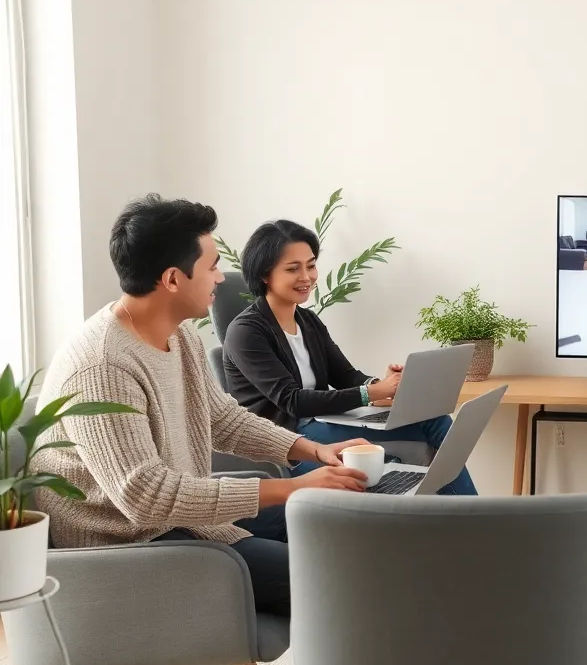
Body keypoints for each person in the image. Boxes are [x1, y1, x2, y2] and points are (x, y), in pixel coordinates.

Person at [30, 195, 372, 617]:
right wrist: (293, 487)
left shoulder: (181, 335)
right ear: (173, 279)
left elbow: (221, 417)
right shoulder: (103, 364)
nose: (220, 279)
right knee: (334, 571)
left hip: (178, 518)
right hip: (124, 543)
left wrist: (311, 449)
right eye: (211, 266)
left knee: (336, 524)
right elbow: (145, 497)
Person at [222, 219, 476, 494]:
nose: (307, 277)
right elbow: (292, 401)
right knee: (424, 440)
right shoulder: (246, 332)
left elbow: (345, 376)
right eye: (293, 269)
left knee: (434, 419)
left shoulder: (307, 321)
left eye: (311, 265)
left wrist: (383, 386)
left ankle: (465, 520)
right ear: (264, 275)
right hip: (289, 438)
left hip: (320, 423)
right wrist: (371, 393)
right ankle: (472, 523)